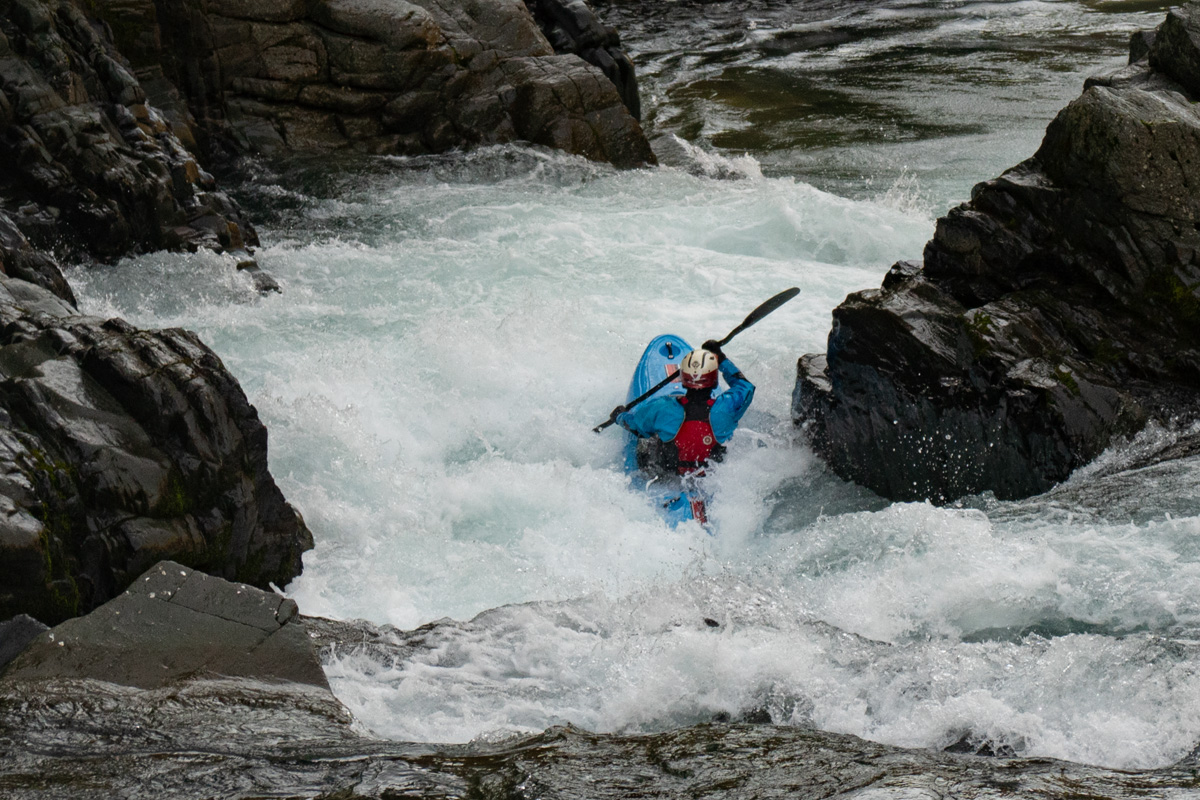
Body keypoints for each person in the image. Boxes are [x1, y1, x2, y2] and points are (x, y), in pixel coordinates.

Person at [615, 340, 754, 479]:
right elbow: (746, 387)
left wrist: (619, 416)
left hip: (669, 476)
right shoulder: (727, 408)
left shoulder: (663, 408)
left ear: (683, 378)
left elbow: (634, 425)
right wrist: (721, 358)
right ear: (714, 380)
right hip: (711, 480)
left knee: (649, 437)